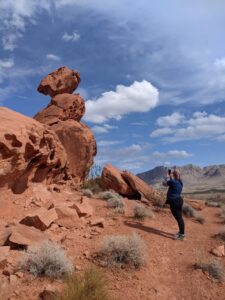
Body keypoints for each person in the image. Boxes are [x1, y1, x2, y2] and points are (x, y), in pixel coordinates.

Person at [163, 169, 185, 240]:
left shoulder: (173, 182)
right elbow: (173, 181)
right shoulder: (180, 182)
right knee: (180, 218)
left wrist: (167, 177)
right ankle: (181, 232)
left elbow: (164, 184)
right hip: (179, 200)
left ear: (174, 175)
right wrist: (171, 176)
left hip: (174, 202)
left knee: (179, 218)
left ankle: (182, 235)